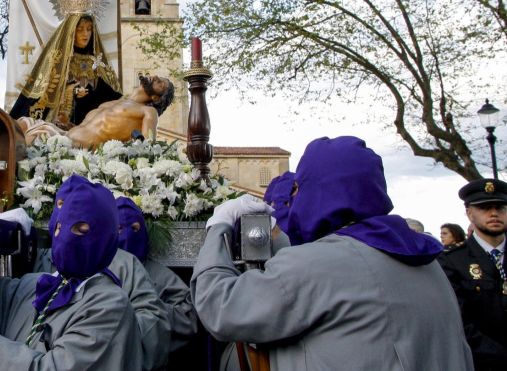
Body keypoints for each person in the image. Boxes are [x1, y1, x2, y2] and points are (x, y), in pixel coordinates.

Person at [192, 136, 473, 370]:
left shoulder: (320, 263)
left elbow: (221, 308)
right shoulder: (426, 260)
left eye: (299, 188)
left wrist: (218, 229)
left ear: (320, 191)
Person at [0, 179, 142, 370]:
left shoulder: (110, 305)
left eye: (81, 230)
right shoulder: (37, 285)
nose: (65, 239)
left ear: (105, 238)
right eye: (59, 228)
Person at [31, 175, 171, 370]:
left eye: (81, 227)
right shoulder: (36, 265)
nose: (68, 214)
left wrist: (111, 330)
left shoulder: (125, 264)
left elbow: (153, 321)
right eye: (62, 204)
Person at [9, 0, 122, 127]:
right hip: (57, 124)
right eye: (80, 30)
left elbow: (107, 95)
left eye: (89, 29)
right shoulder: (58, 59)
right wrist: (72, 92)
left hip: (87, 126)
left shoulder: (96, 62)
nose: (86, 34)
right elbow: (45, 94)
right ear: (71, 33)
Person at [438, 178, 507, 370]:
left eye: (500, 207)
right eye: (484, 208)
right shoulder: (452, 261)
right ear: (469, 213)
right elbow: (458, 322)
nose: (494, 213)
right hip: (482, 363)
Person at [116, 197, 197, 359]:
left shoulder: (162, 276)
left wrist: (154, 310)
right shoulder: (95, 271)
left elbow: (188, 320)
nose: (126, 235)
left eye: (135, 228)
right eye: (118, 228)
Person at [17, 75, 175, 148]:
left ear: (156, 97)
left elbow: (147, 147)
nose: (155, 77)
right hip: (63, 134)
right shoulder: (114, 102)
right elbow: (88, 128)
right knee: (18, 125)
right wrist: (68, 124)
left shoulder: (147, 112)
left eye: (160, 83)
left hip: (74, 150)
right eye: (158, 77)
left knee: (24, 142)